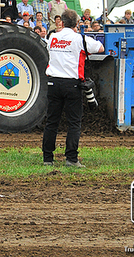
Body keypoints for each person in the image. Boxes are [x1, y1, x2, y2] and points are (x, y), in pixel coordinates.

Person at [42, 9, 104, 168]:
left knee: (52, 122)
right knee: (74, 123)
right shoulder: (80, 39)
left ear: (61, 22)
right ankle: (71, 158)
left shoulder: (52, 37)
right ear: (77, 23)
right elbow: (100, 48)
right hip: (72, 84)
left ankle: (47, 158)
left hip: (53, 83)